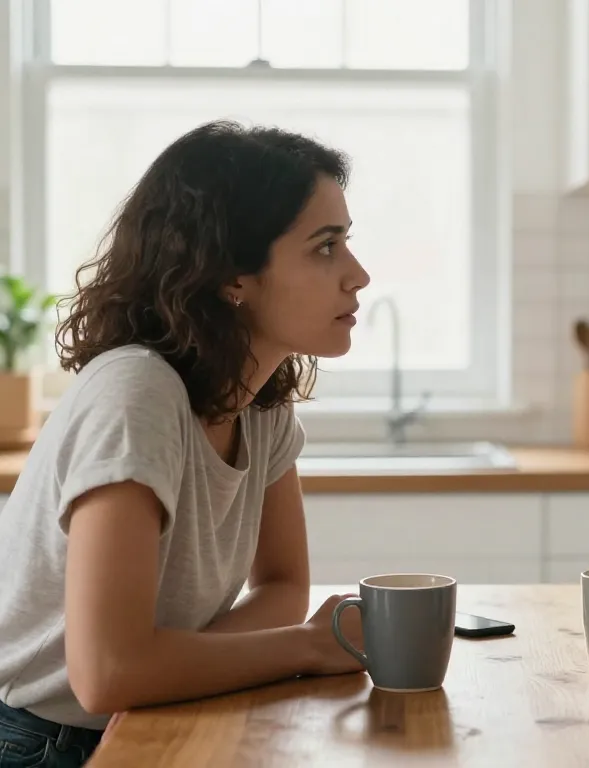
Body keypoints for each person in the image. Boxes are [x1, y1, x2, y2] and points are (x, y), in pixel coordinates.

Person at [0, 120, 370, 767]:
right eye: (325, 247)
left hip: (148, 712)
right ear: (233, 276)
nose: (358, 274)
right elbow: (107, 673)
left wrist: (166, 663)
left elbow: (283, 586)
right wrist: (308, 647)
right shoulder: (137, 393)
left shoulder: (260, 400)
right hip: (41, 744)